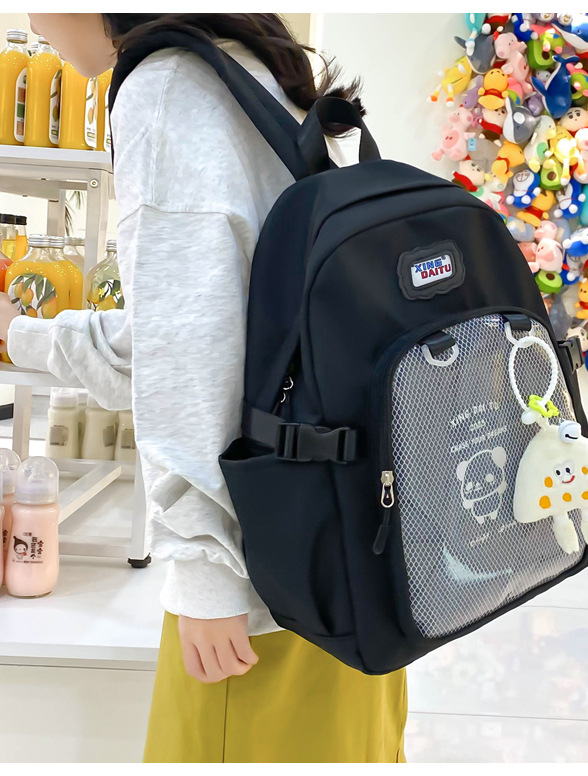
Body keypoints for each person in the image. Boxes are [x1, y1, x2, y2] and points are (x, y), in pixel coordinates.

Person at [0, 13, 407, 764]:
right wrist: (25, 335)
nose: (30, 17)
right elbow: (195, 332)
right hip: (352, 550)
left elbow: (190, 354)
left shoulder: (165, 90)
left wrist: (204, 572)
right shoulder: (259, 71)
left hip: (257, 583)